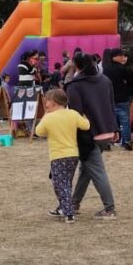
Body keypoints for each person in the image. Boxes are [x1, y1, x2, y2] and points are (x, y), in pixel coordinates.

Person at [65, 53, 118, 219]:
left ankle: (109, 208)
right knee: (87, 169)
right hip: (107, 131)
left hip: (89, 134)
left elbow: (76, 114)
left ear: (77, 65)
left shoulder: (74, 86)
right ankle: (74, 203)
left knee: (95, 170)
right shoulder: (105, 81)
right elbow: (111, 105)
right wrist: (115, 129)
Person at [35, 88, 90, 223]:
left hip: (58, 155)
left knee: (60, 184)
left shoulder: (49, 118)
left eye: (47, 101)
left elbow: (38, 131)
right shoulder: (72, 114)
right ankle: (62, 207)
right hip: (73, 154)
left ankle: (68, 212)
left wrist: (45, 115)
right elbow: (86, 125)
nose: (45, 104)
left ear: (53, 102)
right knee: (66, 182)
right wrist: (84, 116)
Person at [103, 48, 133, 150]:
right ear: (116, 56)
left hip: (110, 99)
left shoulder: (106, 69)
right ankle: (126, 142)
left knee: (110, 121)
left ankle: (108, 142)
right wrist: (130, 93)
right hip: (123, 98)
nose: (123, 57)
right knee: (124, 121)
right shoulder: (125, 69)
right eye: (121, 56)